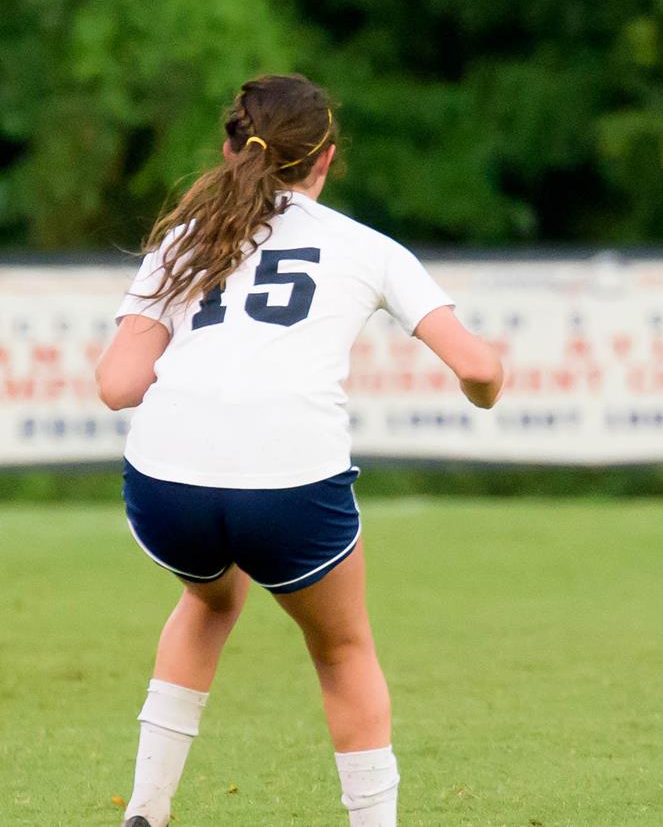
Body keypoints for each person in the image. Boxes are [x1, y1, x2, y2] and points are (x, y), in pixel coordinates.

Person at [96, 75, 506, 824]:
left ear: (229, 148)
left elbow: (118, 384)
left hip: (166, 485)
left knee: (209, 597)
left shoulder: (184, 240)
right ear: (326, 160)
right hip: (288, 480)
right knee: (343, 651)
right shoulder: (365, 247)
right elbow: (478, 368)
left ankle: (144, 813)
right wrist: (491, 385)